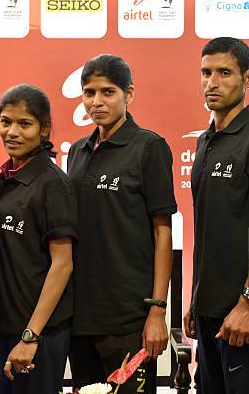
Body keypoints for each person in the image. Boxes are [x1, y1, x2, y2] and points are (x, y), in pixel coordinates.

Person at [67, 54, 177, 394]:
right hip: (79, 316)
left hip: (130, 318)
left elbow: (163, 232)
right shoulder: (77, 151)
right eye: (89, 92)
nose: (96, 102)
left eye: (108, 92)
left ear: (129, 94)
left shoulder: (149, 146)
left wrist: (158, 311)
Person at [183, 37, 249, 394]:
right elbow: (210, 228)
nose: (212, 82)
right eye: (206, 72)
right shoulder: (204, 141)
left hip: (245, 311)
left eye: (224, 73)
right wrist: (197, 298)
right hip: (209, 307)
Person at [0, 84, 77, 394]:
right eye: (6, 121)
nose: (12, 131)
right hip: (6, 327)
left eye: (25, 123)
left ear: (44, 129)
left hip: (39, 334)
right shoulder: (4, 179)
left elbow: (62, 265)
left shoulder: (52, 184)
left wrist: (31, 336)